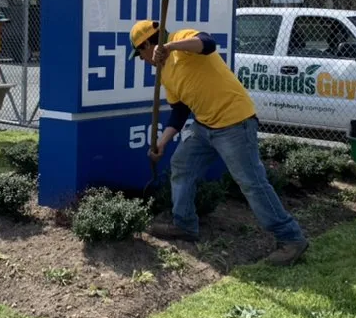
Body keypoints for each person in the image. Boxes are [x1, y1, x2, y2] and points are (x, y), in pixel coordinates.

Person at [129, 19, 309, 266]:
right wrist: (161, 142)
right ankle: (185, 225)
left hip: (235, 122)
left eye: (140, 54)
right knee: (181, 165)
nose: (143, 60)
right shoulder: (164, 74)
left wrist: (171, 47)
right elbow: (179, 112)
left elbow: (208, 43)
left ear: (148, 44)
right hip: (204, 127)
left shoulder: (181, 39)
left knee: (251, 183)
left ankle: (291, 239)